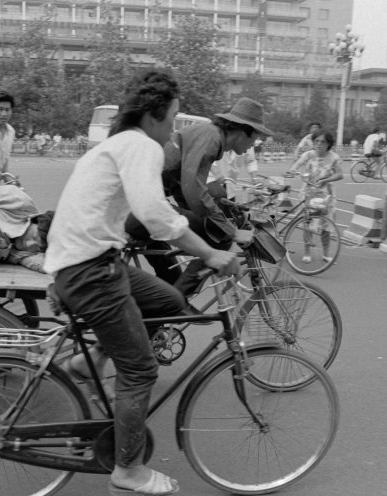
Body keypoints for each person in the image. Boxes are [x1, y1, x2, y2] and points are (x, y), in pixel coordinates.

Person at [44, 70, 239, 496]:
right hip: (91, 270)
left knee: (168, 299)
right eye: (171, 121)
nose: (174, 131)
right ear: (152, 118)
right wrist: (210, 253)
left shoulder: (119, 144)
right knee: (139, 370)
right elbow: (154, 215)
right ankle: (127, 471)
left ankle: (90, 358)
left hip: (85, 263)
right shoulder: (140, 145)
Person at [125, 97, 270, 300]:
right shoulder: (211, 138)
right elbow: (193, 188)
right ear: (243, 130)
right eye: (254, 138)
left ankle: (162, 313)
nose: (253, 145)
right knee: (218, 235)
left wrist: (220, 211)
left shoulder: (208, 135)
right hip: (140, 210)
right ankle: (177, 303)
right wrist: (232, 231)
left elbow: (181, 185)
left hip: (139, 208)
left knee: (173, 276)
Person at [287, 131, 343, 263]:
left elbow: (340, 175)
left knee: (326, 226)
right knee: (308, 223)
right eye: (316, 141)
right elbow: (297, 164)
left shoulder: (334, 157)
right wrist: (292, 171)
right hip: (308, 193)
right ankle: (307, 253)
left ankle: (326, 254)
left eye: (322, 142)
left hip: (326, 195)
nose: (318, 144)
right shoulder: (308, 155)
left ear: (328, 144)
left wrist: (327, 179)